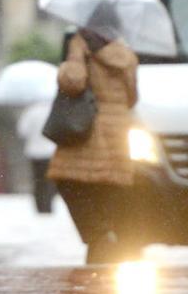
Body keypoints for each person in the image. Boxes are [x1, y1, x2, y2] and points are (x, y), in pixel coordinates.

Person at [47, 27, 138, 264]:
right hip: (118, 137)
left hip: (86, 135)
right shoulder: (126, 53)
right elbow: (132, 97)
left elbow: (73, 82)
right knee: (105, 197)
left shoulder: (81, 42)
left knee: (70, 185)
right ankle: (104, 242)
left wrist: (72, 57)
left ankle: (101, 241)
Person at [16, 101, 57, 213]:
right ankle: (48, 205)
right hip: (50, 151)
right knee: (49, 180)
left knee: (38, 180)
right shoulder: (53, 111)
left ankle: (40, 206)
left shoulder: (30, 112)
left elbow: (22, 131)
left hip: (34, 152)